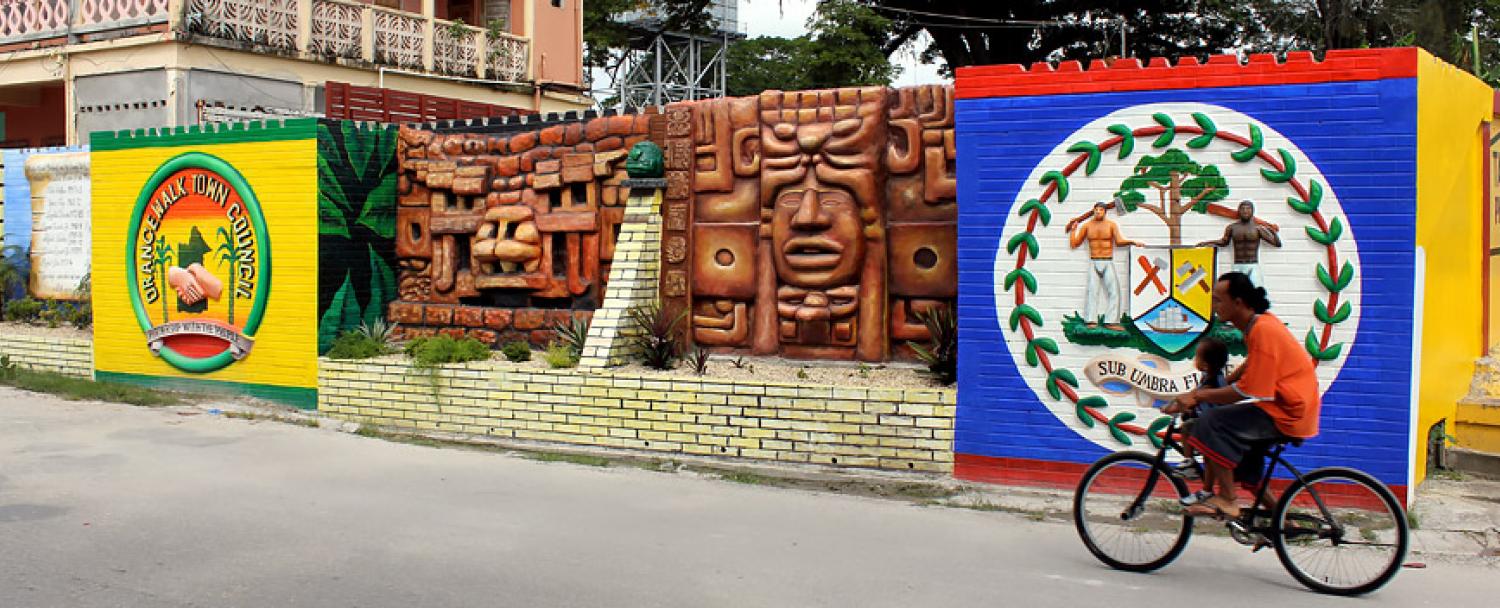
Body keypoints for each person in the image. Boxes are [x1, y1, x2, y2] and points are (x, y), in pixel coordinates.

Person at [1163, 272, 1321, 520]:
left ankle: (1227, 500)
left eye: (1218, 301)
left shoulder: (1262, 330)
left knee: (1211, 422)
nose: (1214, 307)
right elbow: (1251, 366)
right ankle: (1282, 525)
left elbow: (1247, 391)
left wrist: (1199, 397)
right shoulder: (1257, 326)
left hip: (1288, 411)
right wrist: (1207, 391)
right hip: (1286, 406)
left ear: (1238, 303)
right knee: (1248, 472)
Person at [1066, 200, 1145, 329]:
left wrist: (1133, 242)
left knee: (1114, 291)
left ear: (1105, 211)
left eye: (1101, 210)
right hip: (1094, 260)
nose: (1098, 212)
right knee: (1092, 291)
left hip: (1107, 261)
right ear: (1093, 211)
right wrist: (1073, 230)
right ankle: (1090, 320)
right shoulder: (1087, 226)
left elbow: (1119, 241)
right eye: (1096, 209)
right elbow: (1075, 243)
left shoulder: (1111, 225)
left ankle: (1111, 321)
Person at [1168, 337, 1231, 490]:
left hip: (1214, 428)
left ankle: (1189, 462)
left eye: (1197, 356)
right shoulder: (1212, 377)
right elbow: (1193, 395)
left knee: (1187, 427)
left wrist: (1172, 408)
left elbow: (1193, 399)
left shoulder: (1212, 382)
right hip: (1213, 425)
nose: (1194, 359)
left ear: (1205, 364)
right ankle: (1207, 490)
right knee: (1207, 458)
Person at [1198, 200, 1281, 288]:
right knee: (1237, 293)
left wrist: (1273, 232)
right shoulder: (1232, 228)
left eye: (1248, 208)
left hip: (1253, 265)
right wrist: (1207, 243)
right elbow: (1224, 242)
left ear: (1252, 211)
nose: (1245, 211)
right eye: (1242, 208)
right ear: (1239, 211)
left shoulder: (1258, 229)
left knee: (1257, 291)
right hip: (1238, 265)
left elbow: (1277, 244)